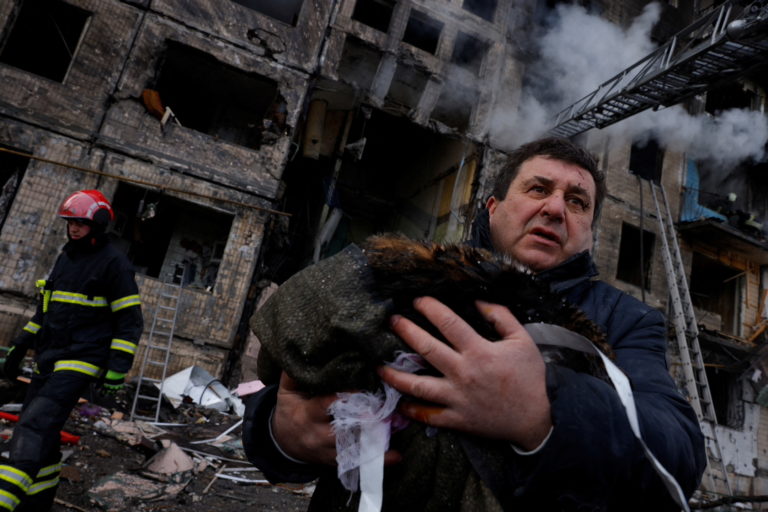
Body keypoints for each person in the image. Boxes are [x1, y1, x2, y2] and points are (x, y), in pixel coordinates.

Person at [243, 137, 706, 510]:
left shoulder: (627, 321)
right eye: (538, 189)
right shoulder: (413, 274)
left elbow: (678, 454)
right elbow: (289, 393)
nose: (555, 209)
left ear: (588, 235)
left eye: (577, 202)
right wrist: (281, 434)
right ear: (492, 207)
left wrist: (543, 415)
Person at [0, 189, 143, 512]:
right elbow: (45, 312)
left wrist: (117, 369)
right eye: (70, 223)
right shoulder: (65, 258)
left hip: (82, 359)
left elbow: (130, 321)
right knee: (46, 436)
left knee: (32, 425)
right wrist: (20, 347)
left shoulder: (114, 264)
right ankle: (37, 503)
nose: (74, 228)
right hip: (48, 357)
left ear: (99, 224)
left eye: (81, 223)